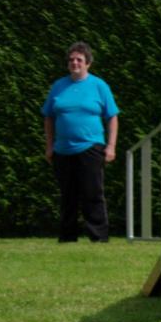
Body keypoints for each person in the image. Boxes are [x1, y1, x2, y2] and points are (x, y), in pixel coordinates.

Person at [42, 41, 119, 242]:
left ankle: (98, 237)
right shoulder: (58, 86)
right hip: (63, 150)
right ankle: (67, 237)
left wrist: (111, 146)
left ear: (88, 64)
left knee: (92, 193)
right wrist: (49, 146)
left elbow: (112, 117)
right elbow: (49, 117)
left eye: (79, 60)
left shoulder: (99, 85)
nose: (74, 63)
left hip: (91, 147)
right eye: (71, 60)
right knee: (68, 195)